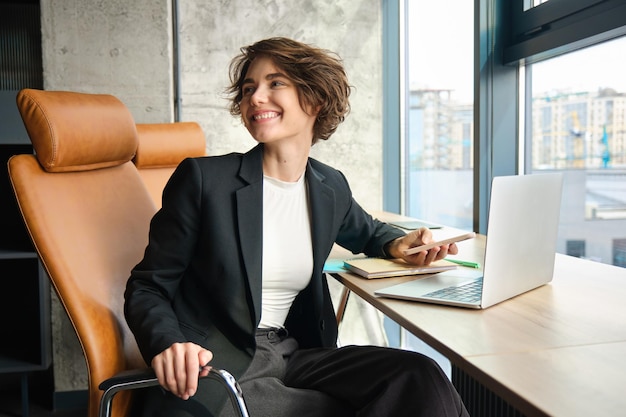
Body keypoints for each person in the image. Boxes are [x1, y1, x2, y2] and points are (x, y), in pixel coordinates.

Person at [124, 37, 470, 417]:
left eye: (275, 83)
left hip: (292, 353)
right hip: (218, 362)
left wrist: (400, 244)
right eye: (248, 88)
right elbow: (148, 285)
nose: (256, 97)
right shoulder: (206, 181)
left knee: (417, 375)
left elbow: (368, 231)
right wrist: (169, 344)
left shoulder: (328, 186)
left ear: (315, 100)